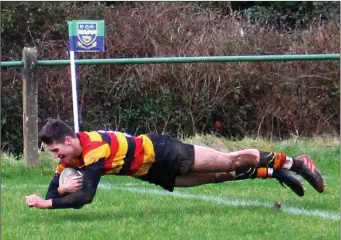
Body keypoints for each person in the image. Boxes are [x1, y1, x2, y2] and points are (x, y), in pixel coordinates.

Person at [25, 119, 325, 209]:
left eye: (55, 151)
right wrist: (58, 193)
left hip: (162, 151)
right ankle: (273, 172)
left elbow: (86, 197)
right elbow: (56, 190)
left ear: (67, 141)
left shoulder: (94, 151)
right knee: (219, 177)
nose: (56, 158)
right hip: (152, 172)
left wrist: (46, 204)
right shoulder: (70, 157)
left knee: (229, 160)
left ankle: (296, 163)